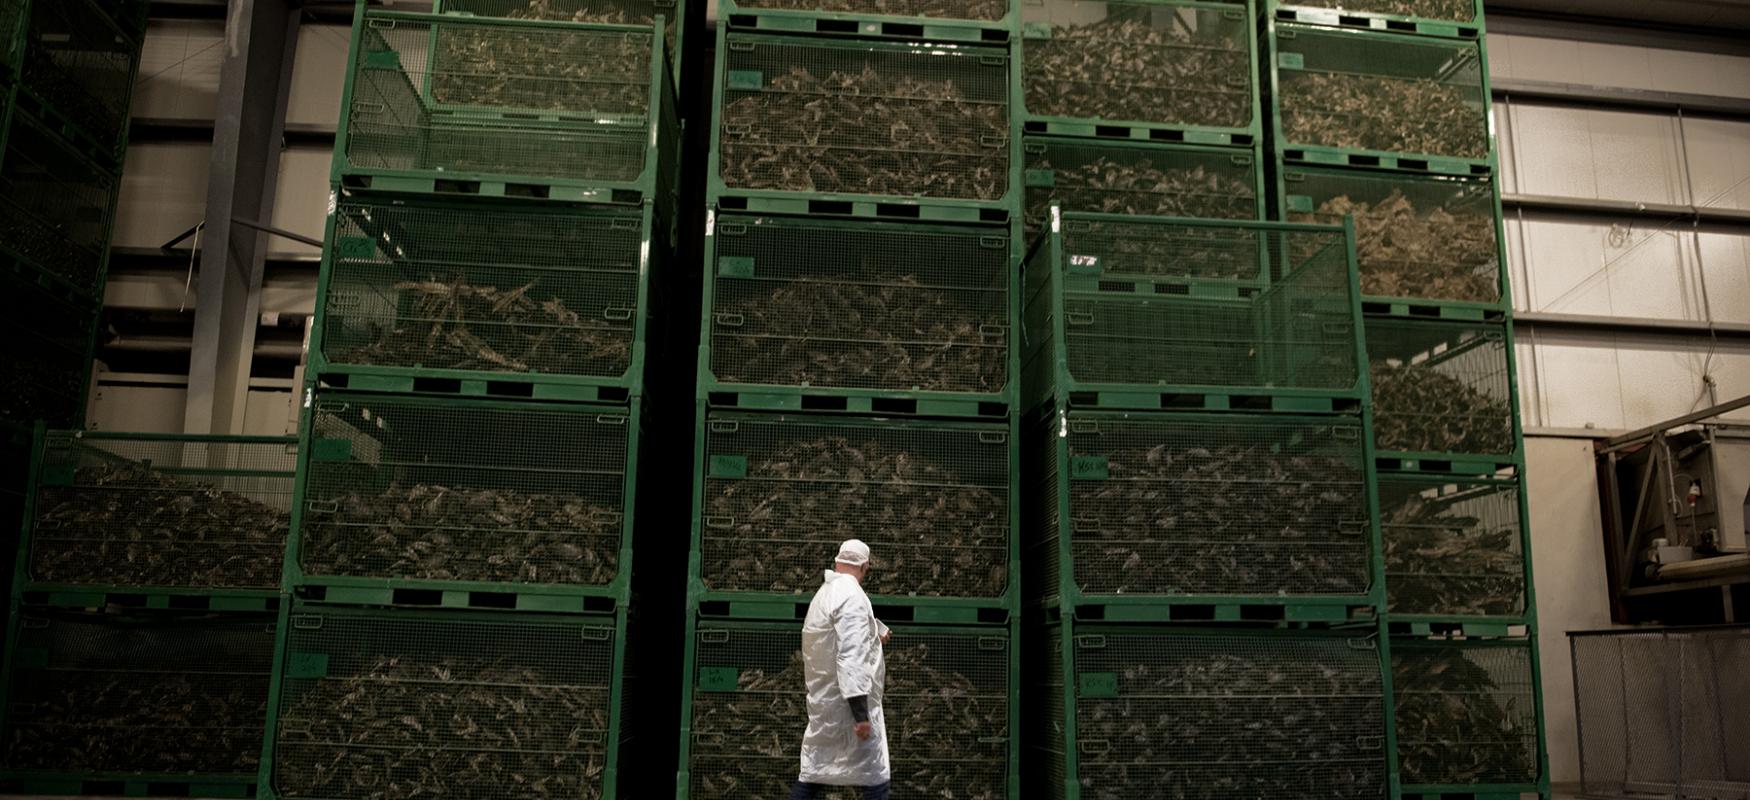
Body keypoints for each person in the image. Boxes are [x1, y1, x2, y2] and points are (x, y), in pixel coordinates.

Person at [792, 539, 892, 800]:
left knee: (814, 771)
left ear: (837, 561)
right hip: (848, 705)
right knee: (875, 775)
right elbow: (851, 655)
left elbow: (830, 639)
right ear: (865, 567)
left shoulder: (825, 593)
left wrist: (873, 633)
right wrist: (860, 714)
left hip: (824, 702)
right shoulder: (853, 597)